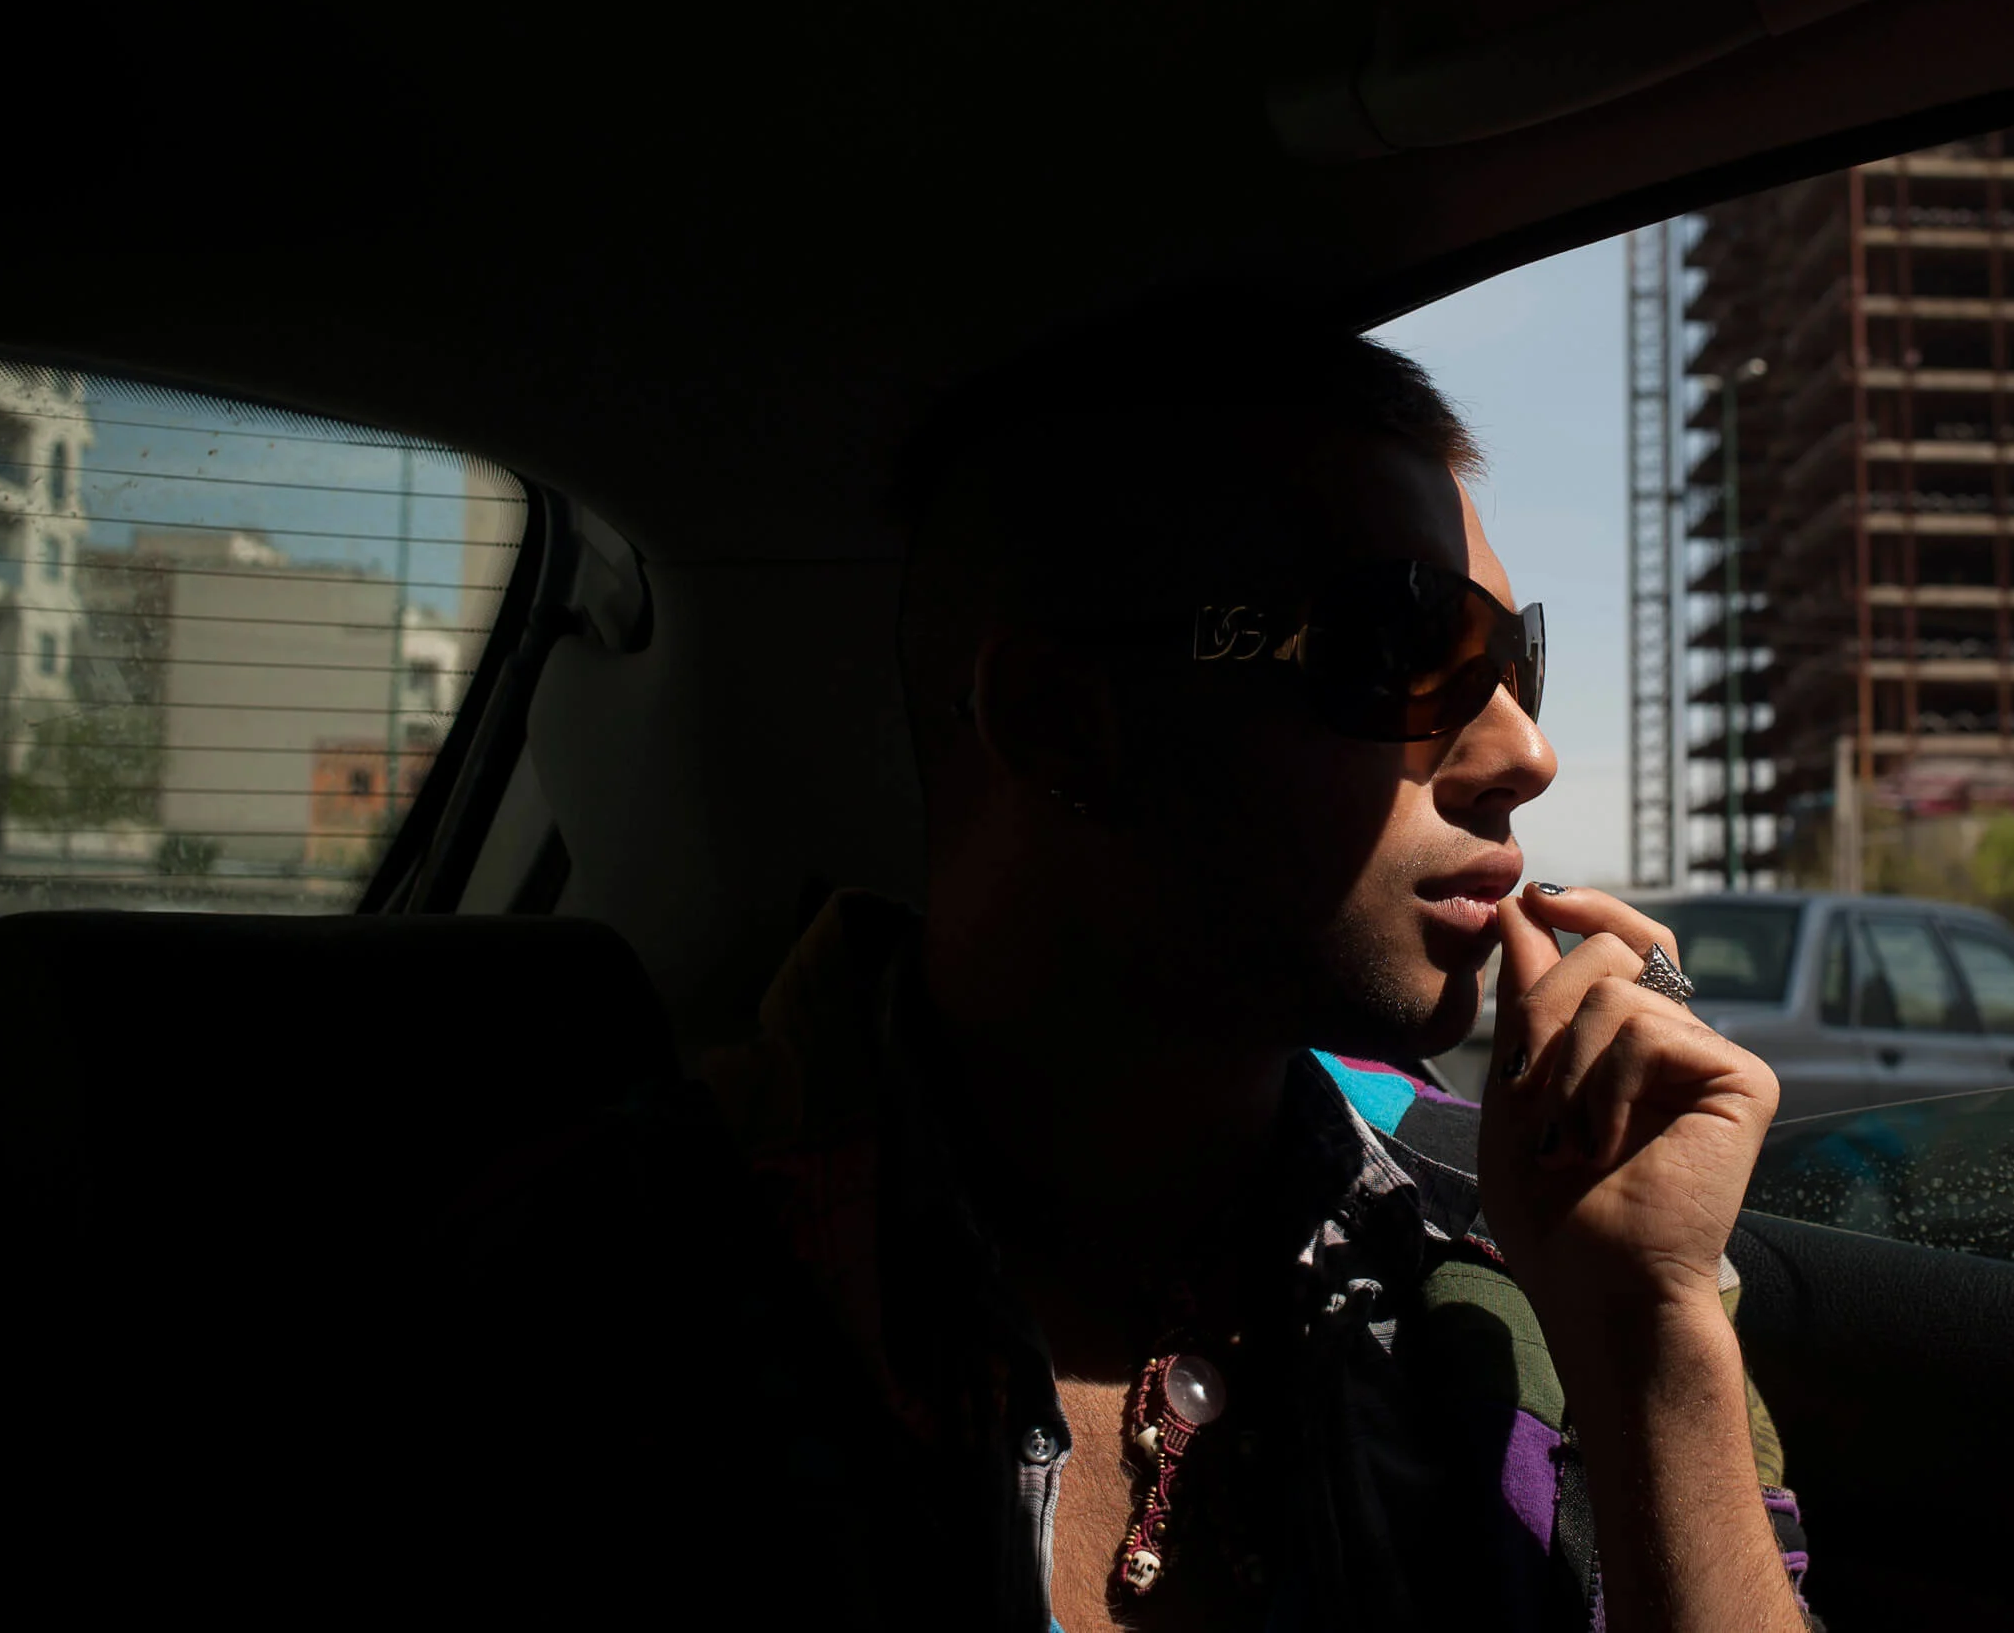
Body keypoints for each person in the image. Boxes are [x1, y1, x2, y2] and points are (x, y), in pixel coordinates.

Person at [629, 320, 1813, 1633]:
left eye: (1512, 663)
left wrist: (1655, 1337)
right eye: (1403, 646)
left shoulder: (1520, 1245)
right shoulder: (605, 1305)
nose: (1526, 750)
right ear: (1061, 721)